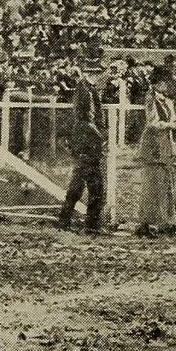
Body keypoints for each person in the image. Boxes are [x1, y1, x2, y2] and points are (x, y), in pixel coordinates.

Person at [134, 64, 176, 237]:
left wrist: (172, 126)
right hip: (154, 143)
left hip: (165, 141)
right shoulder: (151, 99)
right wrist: (172, 125)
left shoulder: (167, 100)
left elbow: (168, 121)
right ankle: (148, 223)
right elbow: (152, 123)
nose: (167, 85)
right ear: (157, 82)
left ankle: (172, 220)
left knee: (170, 179)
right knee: (154, 181)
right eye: (164, 82)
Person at [58, 63, 106, 234]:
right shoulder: (83, 90)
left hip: (88, 142)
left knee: (79, 184)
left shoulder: (89, 89)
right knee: (95, 186)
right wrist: (100, 135)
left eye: (97, 72)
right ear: (85, 73)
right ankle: (90, 225)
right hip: (85, 142)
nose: (96, 75)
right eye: (92, 71)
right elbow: (83, 119)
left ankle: (66, 221)